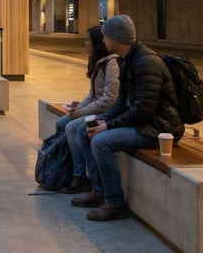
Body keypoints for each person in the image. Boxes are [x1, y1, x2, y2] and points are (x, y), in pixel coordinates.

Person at [71, 14, 183, 221]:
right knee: (83, 130)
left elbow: (143, 110)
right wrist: (103, 120)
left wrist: (108, 126)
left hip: (158, 128)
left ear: (115, 39)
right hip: (143, 122)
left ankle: (115, 203)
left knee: (101, 142)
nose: (102, 41)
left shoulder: (146, 63)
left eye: (105, 37)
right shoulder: (127, 60)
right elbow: (122, 101)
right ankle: (98, 191)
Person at [56, 25, 119, 194]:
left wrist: (83, 112)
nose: (84, 43)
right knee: (62, 123)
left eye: (87, 40)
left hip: (105, 111)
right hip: (95, 108)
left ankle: (81, 176)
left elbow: (110, 99)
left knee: (72, 128)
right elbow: (92, 93)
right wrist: (79, 108)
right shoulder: (97, 61)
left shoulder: (111, 64)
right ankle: (66, 168)